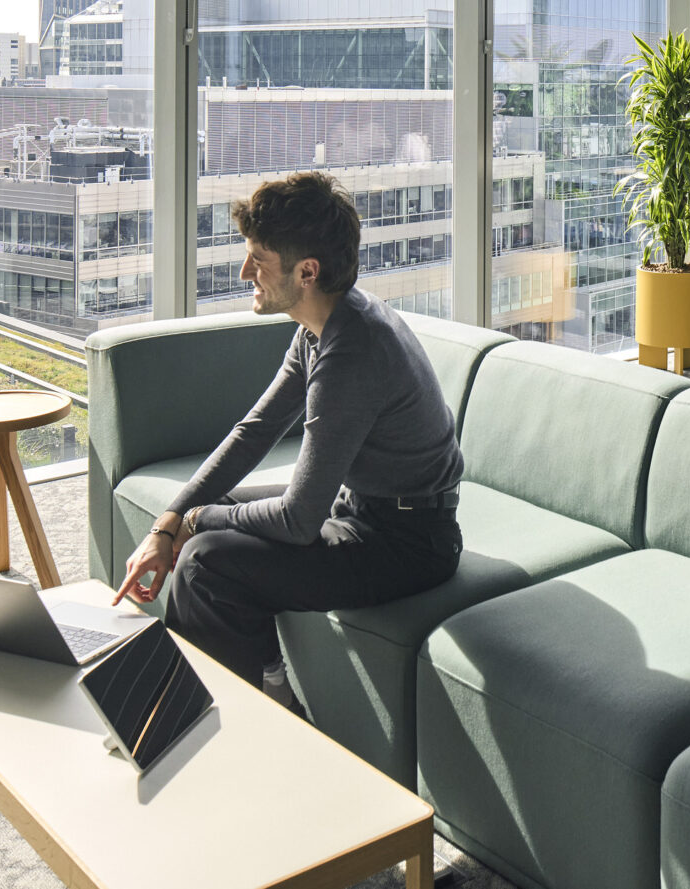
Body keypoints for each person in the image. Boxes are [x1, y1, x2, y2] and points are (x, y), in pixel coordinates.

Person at [114, 171, 463, 712]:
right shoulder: (323, 326)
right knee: (212, 516)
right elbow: (253, 433)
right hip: (365, 510)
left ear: (306, 271)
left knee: (207, 558)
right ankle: (259, 686)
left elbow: (300, 520)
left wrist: (194, 523)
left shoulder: (352, 353)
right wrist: (166, 525)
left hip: (409, 543)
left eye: (259, 258)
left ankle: (207, 718)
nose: (244, 271)